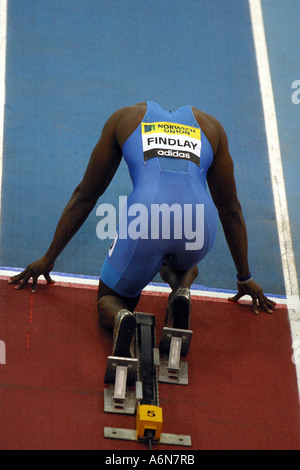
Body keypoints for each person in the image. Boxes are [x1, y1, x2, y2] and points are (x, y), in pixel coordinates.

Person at [8, 101, 277, 358]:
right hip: (199, 224)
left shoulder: (125, 118)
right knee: (183, 262)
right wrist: (244, 276)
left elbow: (86, 195)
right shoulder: (210, 126)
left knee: (110, 299)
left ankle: (122, 317)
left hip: (147, 217)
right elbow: (230, 209)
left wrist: (49, 257)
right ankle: (181, 291)